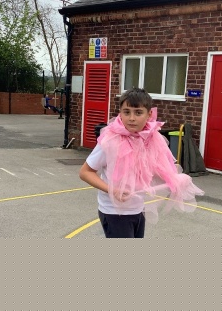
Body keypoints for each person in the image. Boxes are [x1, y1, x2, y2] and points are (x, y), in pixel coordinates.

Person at [79, 87, 204, 238]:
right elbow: (85, 172)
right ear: (120, 113)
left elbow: (157, 169)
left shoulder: (151, 139)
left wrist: (175, 180)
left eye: (138, 113)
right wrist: (112, 190)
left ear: (149, 114)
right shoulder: (110, 141)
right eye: (126, 112)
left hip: (138, 208)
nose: (132, 118)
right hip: (114, 211)